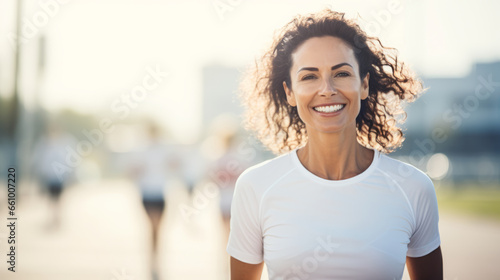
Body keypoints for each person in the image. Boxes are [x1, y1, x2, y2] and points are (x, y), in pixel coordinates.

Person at [227, 9, 443, 280]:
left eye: (341, 73)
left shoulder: (413, 188)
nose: (327, 89)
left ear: (363, 85)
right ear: (289, 92)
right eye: (309, 76)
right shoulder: (256, 186)